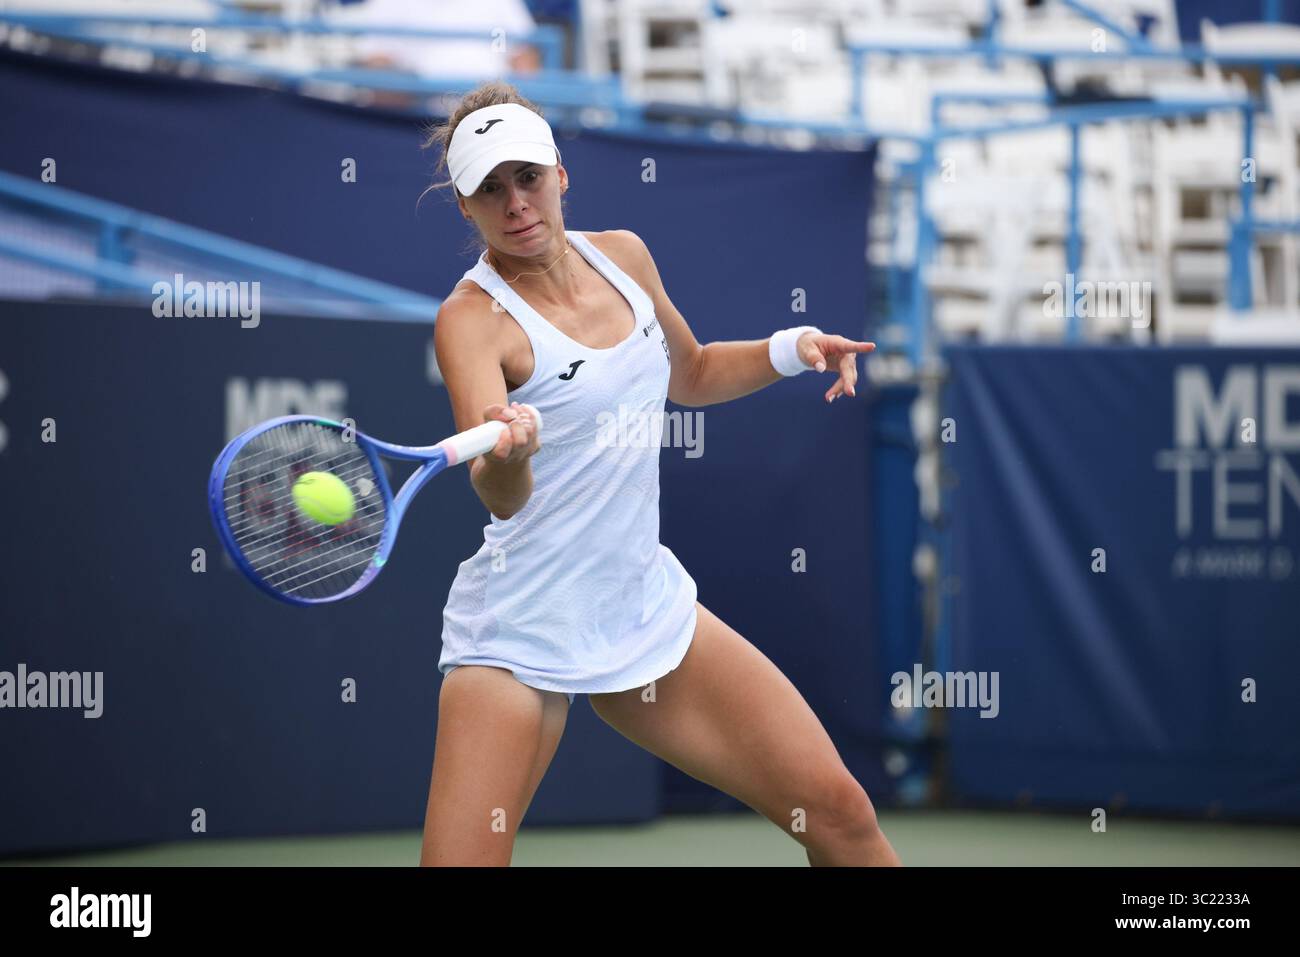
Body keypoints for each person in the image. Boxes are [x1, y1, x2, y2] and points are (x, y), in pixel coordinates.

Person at [421, 80, 901, 867]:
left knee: (840, 815)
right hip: (519, 624)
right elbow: (500, 498)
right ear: (467, 208)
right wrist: (512, 451)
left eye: (528, 177)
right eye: (490, 190)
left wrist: (793, 347)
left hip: (641, 605)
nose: (516, 203)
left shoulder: (625, 256)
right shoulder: (471, 321)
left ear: (560, 174)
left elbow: (695, 372)